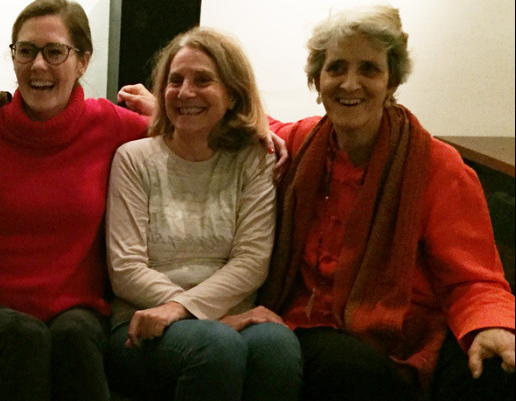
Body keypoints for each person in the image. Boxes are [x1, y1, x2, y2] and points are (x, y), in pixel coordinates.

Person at [255, 5, 515, 401]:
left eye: (369, 69)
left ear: (391, 81)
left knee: (496, 370)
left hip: (415, 329)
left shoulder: (437, 165)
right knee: (351, 370)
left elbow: (473, 277)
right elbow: (247, 117)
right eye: (336, 68)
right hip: (315, 323)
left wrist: (491, 326)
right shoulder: (299, 142)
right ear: (317, 80)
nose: (350, 84)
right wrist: (169, 107)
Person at [0, 1, 149, 400]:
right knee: (26, 336)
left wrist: (263, 133)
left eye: (54, 52)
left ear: (83, 61)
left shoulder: (108, 124)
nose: (38, 65)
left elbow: (201, 126)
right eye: (26, 51)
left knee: (72, 336)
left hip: (79, 309)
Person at [104, 27, 301, 401]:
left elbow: (251, 262)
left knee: (278, 347)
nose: (185, 92)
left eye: (202, 80)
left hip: (233, 316)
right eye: (175, 80)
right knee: (216, 346)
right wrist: (200, 315)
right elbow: (126, 269)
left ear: (232, 95)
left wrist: (185, 309)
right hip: (143, 322)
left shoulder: (255, 160)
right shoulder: (133, 159)